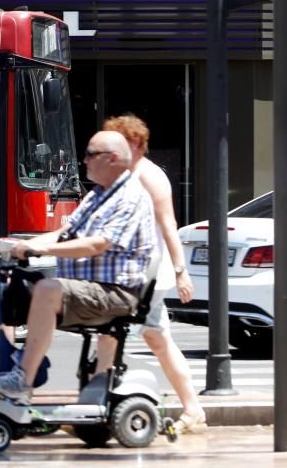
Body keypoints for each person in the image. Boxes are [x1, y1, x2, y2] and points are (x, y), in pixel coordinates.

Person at [0, 130, 155, 402]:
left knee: (48, 289)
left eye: (90, 154)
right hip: (89, 289)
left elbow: (97, 244)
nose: (84, 161)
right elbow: (65, 233)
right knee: (12, 288)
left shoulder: (130, 197)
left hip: (115, 292)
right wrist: (16, 245)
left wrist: (40, 249)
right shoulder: (98, 195)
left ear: (112, 159)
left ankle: (22, 379)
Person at [95, 114, 206, 434]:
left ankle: (96, 403)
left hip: (146, 273)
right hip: (133, 271)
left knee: (110, 334)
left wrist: (181, 269)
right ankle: (192, 408)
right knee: (156, 338)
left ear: (135, 144)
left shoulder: (149, 176)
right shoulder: (124, 174)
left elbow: (168, 224)